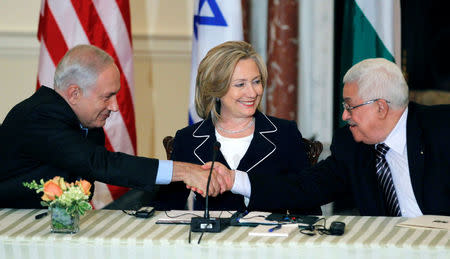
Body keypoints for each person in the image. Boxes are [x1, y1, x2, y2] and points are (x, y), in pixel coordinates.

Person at [0, 45, 228, 209]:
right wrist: (184, 170)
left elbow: (89, 179)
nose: (115, 107)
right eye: (107, 96)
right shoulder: (39, 116)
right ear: (74, 93)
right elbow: (100, 164)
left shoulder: (85, 119)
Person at [225, 58, 449, 216]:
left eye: (350, 107)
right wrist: (234, 180)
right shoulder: (352, 145)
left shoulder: (441, 129)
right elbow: (304, 188)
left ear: (381, 107)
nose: (344, 115)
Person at [156, 41, 319, 214]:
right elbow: (165, 209)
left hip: (271, 238)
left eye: (256, 81)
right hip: (209, 239)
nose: (252, 92)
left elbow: (308, 206)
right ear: (217, 89)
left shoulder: (284, 133)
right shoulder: (189, 139)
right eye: (240, 84)